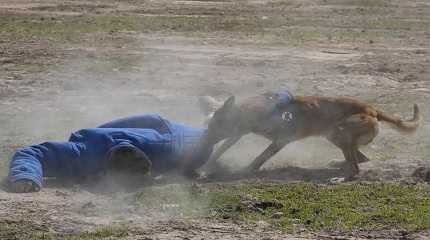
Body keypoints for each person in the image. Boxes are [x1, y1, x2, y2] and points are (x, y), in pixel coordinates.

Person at [5, 114, 214, 193]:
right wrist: (26, 175)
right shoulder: (82, 154)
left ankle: (211, 111)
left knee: (205, 140)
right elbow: (32, 153)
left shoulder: (169, 145)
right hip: (105, 136)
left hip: (161, 128)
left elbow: (205, 138)